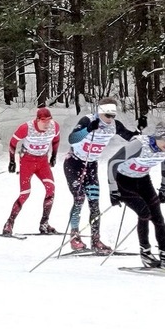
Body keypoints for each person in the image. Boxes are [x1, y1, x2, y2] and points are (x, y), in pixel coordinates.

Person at [63, 98, 144, 252]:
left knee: (94, 203)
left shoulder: (114, 125)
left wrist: (139, 130)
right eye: (107, 115)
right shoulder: (88, 120)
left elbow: (131, 138)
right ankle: (74, 237)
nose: (110, 119)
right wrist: (87, 130)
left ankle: (96, 240)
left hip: (91, 165)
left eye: (112, 115)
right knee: (79, 198)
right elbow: (72, 139)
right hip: (74, 163)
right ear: (100, 112)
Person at [107, 121, 165, 269]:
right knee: (144, 213)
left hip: (143, 180)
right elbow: (112, 162)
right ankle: (146, 253)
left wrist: (163, 188)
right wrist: (113, 190)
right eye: (164, 140)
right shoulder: (139, 145)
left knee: (158, 217)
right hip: (123, 181)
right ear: (156, 137)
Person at [2, 107, 60, 236]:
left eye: (49, 120)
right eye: (44, 121)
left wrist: (54, 156)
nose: (47, 124)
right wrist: (12, 161)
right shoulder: (26, 128)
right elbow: (13, 143)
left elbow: (56, 140)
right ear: (37, 120)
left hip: (43, 162)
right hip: (27, 161)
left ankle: (44, 224)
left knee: (50, 189)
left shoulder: (54, 127)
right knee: (25, 194)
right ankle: (9, 223)